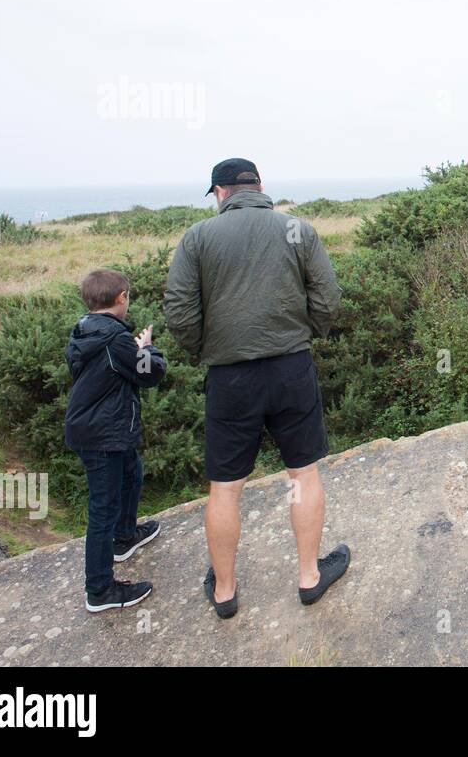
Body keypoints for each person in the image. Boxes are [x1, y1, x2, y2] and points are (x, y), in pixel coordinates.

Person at [163, 158, 346, 619]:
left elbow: (180, 313)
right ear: (259, 187)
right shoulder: (298, 230)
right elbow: (328, 298)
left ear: (220, 193)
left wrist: (209, 349)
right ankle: (308, 577)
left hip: (230, 377)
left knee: (225, 487)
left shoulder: (198, 237)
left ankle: (225, 591)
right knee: (303, 473)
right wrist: (304, 336)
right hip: (290, 367)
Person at [65, 268, 166, 612]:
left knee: (131, 475)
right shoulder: (115, 339)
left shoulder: (83, 330)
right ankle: (100, 590)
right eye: (128, 297)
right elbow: (149, 374)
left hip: (100, 429)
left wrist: (133, 352)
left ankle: (124, 538)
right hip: (102, 434)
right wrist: (148, 350)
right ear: (121, 297)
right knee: (102, 508)